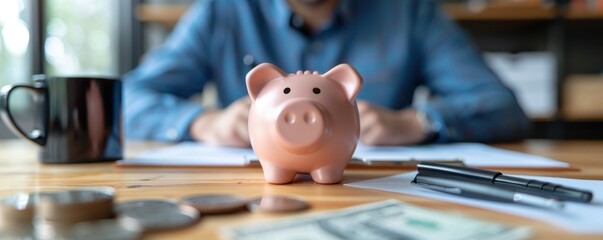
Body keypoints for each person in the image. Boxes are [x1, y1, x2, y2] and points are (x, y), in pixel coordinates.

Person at [124, 0, 530, 147]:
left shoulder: (409, 11)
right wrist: (202, 122)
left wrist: (420, 121)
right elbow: (128, 100)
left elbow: (504, 108)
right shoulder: (223, 11)